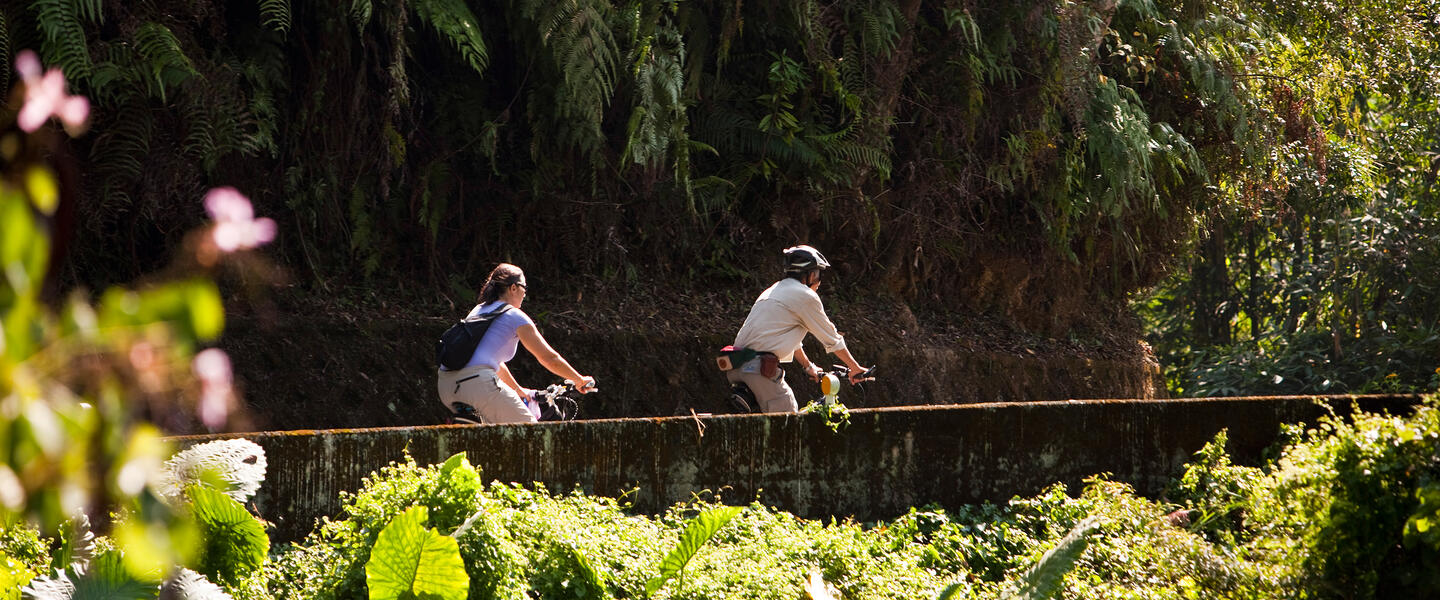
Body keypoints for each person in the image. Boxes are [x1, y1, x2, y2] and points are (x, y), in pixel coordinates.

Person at [436, 263, 595, 423]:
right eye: (524, 287)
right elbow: (548, 358)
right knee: (531, 435)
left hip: (447, 386)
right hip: (478, 385)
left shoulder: (479, 310)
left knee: (496, 440)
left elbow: (493, 363)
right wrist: (579, 379)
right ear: (513, 288)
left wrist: (518, 390)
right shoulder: (515, 316)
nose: (525, 293)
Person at [724, 245, 872, 413]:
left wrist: (809, 366)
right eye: (818, 274)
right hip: (757, 368)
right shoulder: (805, 295)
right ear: (810, 275)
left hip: (735, 367)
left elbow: (785, 338)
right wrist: (855, 368)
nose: (819, 281)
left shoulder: (773, 290)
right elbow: (832, 339)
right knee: (789, 417)